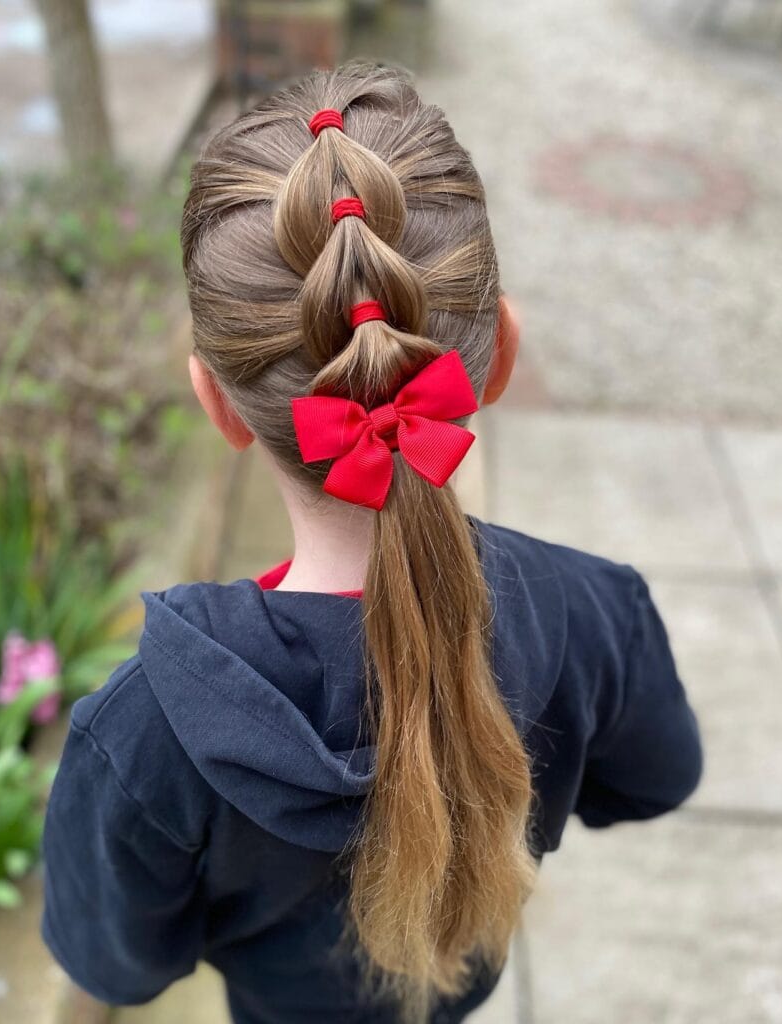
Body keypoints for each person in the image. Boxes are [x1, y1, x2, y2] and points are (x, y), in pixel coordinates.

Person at [40, 61, 703, 1024]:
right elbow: (655, 779)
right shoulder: (596, 608)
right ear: (498, 356)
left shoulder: (145, 734)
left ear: (215, 404)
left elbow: (118, 966)